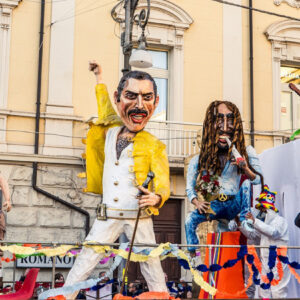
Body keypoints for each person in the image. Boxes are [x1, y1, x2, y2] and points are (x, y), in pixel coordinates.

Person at [63, 62, 170, 299]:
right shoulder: (110, 129)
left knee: (150, 262)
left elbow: (163, 181)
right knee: (86, 258)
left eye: (147, 97)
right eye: (131, 96)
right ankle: (64, 296)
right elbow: (104, 106)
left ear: (156, 102)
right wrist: (99, 77)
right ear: (118, 98)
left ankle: (160, 295)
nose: (139, 105)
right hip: (108, 214)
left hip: (138, 217)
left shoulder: (155, 145)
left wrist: (157, 197)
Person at [185, 101, 262, 253]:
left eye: (230, 120)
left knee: (245, 184)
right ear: (209, 125)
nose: (225, 127)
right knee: (189, 221)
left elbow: (257, 179)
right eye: (219, 119)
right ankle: (193, 253)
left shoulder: (247, 152)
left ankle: (245, 219)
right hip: (215, 205)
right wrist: (197, 202)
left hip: (234, 203)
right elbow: (189, 186)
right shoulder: (200, 159)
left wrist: (245, 168)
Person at [230, 185, 290, 298]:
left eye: (263, 210)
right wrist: (240, 224)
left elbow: (273, 232)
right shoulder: (262, 225)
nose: (261, 212)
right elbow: (252, 235)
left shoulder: (280, 221)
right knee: (264, 292)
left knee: (278, 293)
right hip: (264, 263)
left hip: (278, 264)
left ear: (269, 210)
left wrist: (255, 221)